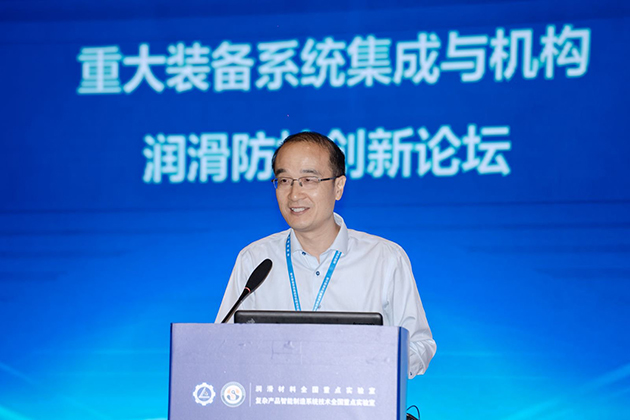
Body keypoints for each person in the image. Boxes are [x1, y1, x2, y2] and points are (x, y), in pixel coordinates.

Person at [215, 131, 436, 378]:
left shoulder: (385, 258)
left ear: (338, 187)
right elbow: (221, 344)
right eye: (284, 180)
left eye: (308, 180)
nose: (294, 194)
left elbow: (420, 345)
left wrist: (376, 360)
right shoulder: (255, 260)